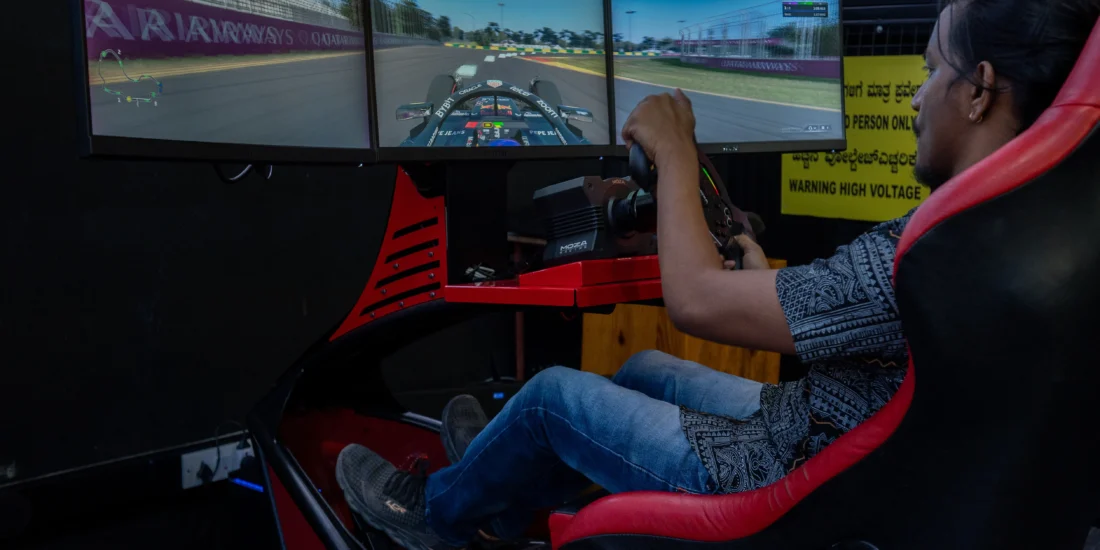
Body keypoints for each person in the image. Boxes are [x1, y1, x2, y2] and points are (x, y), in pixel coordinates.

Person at [335, 1, 1100, 548]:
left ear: (979, 90)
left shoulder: (943, 245)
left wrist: (674, 151)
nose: (914, 93)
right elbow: (901, 342)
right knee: (643, 367)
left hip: (793, 484)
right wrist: (766, 278)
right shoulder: (1020, 231)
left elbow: (695, 299)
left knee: (548, 399)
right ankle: (496, 502)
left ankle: (434, 518)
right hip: (852, 445)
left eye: (932, 71)